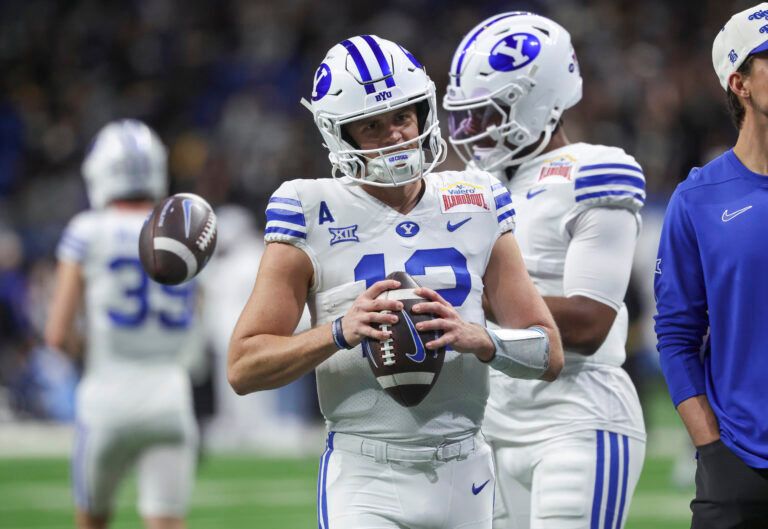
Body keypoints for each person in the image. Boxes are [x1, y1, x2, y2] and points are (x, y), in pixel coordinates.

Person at [227, 35, 563, 529]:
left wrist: (483, 339)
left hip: (464, 467)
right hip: (366, 475)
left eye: (403, 116)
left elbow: (549, 352)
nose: (395, 135)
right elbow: (243, 365)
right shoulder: (309, 209)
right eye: (372, 125)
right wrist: (339, 331)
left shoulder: (478, 197)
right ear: (341, 135)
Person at [443, 13, 646, 529]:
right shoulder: (471, 186)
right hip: (490, 426)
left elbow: (587, 323)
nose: (472, 131)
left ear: (538, 101)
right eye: (466, 117)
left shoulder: (591, 172)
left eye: (488, 115)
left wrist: (474, 296)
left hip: (577, 418)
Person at [45, 119, 198, 529]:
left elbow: (57, 333)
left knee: (92, 521)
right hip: (171, 397)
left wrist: (90, 350)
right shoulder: (183, 228)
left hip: (106, 399)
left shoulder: (87, 231)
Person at [655, 4, 768, 527]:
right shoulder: (697, 200)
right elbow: (677, 336)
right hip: (739, 467)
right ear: (739, 83)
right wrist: (714, 451)